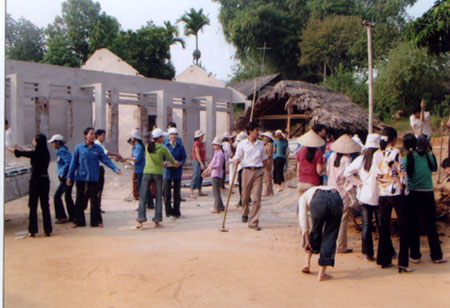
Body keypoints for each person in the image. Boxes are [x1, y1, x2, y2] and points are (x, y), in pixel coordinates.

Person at [344, 134, 391, 262]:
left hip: (364, 196)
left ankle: (367, 253)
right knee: (382, 225)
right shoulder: (382, 157)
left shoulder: (361, 159)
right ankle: (386, 251)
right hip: (380, 195)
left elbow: (347, 172)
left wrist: (358, 181)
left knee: (366, 224)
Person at [403, 134, 448, 265]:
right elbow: (434, 167)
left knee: (413, 225)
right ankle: (436, 255)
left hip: (413, 194)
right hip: (428, 195)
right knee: (431, 226)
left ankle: (415, 255)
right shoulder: (429, 157)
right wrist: (430, 151)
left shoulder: (407, 159)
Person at [67, 127, 122, 228]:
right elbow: (73, 163)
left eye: (93, 134)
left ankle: (96, 221)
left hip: (93, 178)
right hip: (81, 178)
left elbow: (106, 160)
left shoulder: (97, 148)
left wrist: (115, 169)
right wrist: (69, 176)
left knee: (94, 200)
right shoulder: (79, 148)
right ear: (85, 135)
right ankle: (79, 221)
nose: (93, 136)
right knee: (79, 200)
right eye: (91, 134)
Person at [374, 127, 410, 272]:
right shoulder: (396, 153)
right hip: (396, 193)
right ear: (394, 139)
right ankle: (403, 263)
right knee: (404, 227)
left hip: (383, 193)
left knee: (383, 227)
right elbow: (402, 173)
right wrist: (405, 191)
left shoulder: (377, 154)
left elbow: (377, 174)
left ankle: (383, 260)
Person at [7, 134, 53, 237]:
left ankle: (32, 230)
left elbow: (20, 153)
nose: (33, 142)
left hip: (35, 182)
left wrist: (7, 147)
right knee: (45, 206)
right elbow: (29, 152)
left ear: (37, 142)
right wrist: (20, 147)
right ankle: (48, 229)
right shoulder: (45, 153)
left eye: (34, 140)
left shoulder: (36, 154)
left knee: (33, 206)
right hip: (45, 181)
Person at [136, 128, 179, 229]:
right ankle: (157, 220)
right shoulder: (163, 148)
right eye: (162, 137)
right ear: (159, 138)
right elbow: (171, 160)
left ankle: (140, 220)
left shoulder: (147, 147)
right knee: (159, 198)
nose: (163, 138)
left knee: (143, 197)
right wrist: (174, 163)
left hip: (146, 172)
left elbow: (151, 159)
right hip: (158, 174)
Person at [298, 186, 343, 281]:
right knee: (330, 235)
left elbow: (303, 219)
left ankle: (307, 263)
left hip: (318, 201)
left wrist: (306, 239)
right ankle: (322, 273)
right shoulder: (316, 190)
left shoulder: (302, 198)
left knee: (315, 231)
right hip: (336, 198)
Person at [326, 135, 361, 254]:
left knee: (331, 220)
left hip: (331, 190)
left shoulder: (331, 157)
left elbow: (328, 172)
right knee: (342, 220)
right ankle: (341, 246)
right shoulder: (346, 160)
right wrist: (353, 195)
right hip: (342, 193)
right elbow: (347, 180)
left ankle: (330, 243)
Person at [234, 122, 269, 231]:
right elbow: (237, 156)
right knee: (245, 197)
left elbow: (264, 158)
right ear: (250, 131)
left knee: (257, 198)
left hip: (258, 171)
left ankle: (253, 222)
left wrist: (268, 171)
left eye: (258, 130)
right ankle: (245, 212)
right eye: (256, 130)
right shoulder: (242, 144)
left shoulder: (260, 144)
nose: (258, 133)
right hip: (246, 171)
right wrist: (236, 160)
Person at [122, 130, 154, 208]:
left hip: (141, 169)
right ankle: (150, 203)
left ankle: (145, 204)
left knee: (142, 187)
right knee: (143, 186)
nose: (131, 138)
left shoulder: (139, 147)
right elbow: (133, 156)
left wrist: (126, 159)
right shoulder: (135, 146)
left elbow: (137, 158)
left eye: (132, 137)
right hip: (138, 168)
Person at [48, 134, 75, 224]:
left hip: (66, 178)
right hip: (68, 177)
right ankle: (73, 216)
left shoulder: (62, 151)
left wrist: (63, 172)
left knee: (57, 196)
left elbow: (69, 162)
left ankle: (62, 217)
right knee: (67, 196)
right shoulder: (61, 150)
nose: (52, 144)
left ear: (57, 142)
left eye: (53, 142)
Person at [95, 129, 122, 213]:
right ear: (98, 136)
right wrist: (116, 154)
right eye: (103, 136)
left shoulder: (100, 145)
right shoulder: (97, 145)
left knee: (98, 189)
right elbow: (105, 154)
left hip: (99, 168)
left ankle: (97, 206)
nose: (104, 138)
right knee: (98, 189)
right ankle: (96, 207)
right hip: (97, 168)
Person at [163, 127, 186, 218]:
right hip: (167, 172)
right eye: (171, 135)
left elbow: (183, 158)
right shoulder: (165, 147)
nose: (173, 136)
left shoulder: (180, 147)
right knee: (167, 192)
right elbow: (162, 158)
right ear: (168, 136)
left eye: (175, 135)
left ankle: (176, 211)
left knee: (177, 192)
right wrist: (164, 164)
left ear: (177, 136)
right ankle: (168, 212)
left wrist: (179, 163)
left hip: (177, 171)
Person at [296, 130, 325, 195]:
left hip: (301, 182)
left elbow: (298, 169)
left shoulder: (300, 152)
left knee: (301, 204)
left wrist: (299, 180)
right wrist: (324, 167)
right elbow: (319, 171)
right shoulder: (318, 153)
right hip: (312, 182)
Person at [202, 137, 225, 213]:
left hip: (217, 174)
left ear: (219, 145)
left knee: (216, 192)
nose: (214, 146)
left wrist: (211, 168)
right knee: (216, 191)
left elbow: (218, 165)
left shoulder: (220, 154)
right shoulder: (217, 153)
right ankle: (221, 206)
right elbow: (212, 163)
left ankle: (217, 207)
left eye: (215, 145)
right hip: (214, 173)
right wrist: (206, 171)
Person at [189, 130, 208, 198]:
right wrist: (201, 163)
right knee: (196, 175)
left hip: (201, 160)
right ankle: (191, 191)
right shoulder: (196, 144)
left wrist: (205, 160)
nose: (203, 137)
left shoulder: (201, 144)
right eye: (202, 136)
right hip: (197, 161)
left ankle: (200, 190)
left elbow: (202, 153)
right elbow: (197, 154)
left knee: (201, 176)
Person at [260, 131, 274, 197]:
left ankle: (267, 191)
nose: (264, 139)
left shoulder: (269, 145)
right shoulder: (265, 145)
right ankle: (270, 191)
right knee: (267, 177)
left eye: (266, 137)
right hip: (266, 162)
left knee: (267, 177)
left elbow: (269, 154)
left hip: (267, 162)